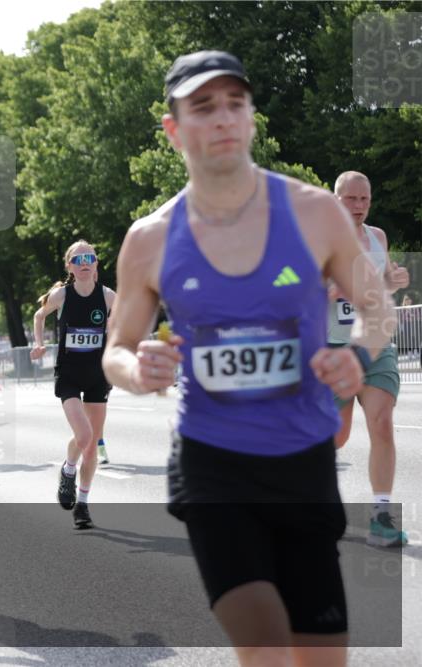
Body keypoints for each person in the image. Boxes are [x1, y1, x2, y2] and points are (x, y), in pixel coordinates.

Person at [101, 51, 395, 665]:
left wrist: (359, 357)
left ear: (252, 117)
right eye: (204, 107)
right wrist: (138, 369)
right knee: (262, 639)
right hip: (212, 462)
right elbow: (118, 351)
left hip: (302, 458)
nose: (224, 119)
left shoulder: (315, 212)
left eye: (235, 103)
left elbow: (379, 311)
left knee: (320, 656)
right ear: (174, 129)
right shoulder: (150, 238)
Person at [327, 171, 410, 547]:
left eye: (365, 199)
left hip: (376, 344)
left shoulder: (377, 237)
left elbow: (380, 283)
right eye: (351, 199)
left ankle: (381, 517)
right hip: (333, 348)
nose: (359, 206)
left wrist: (394, 280)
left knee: (382, 423)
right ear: (335, 199)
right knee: (336, 436)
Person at [31, 240, 115, 529]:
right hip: (68, 374)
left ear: (96, 264)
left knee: (91, 443)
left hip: (97, 374)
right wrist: (39, 344)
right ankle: (68, 470)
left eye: (89, 258)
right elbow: (39, 315)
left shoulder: (107, 296)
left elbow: (127, 320)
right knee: (84, 435)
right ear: (69, 266)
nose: (84, 263)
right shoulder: (62, 295)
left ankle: (83, 504)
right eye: (77, 259)